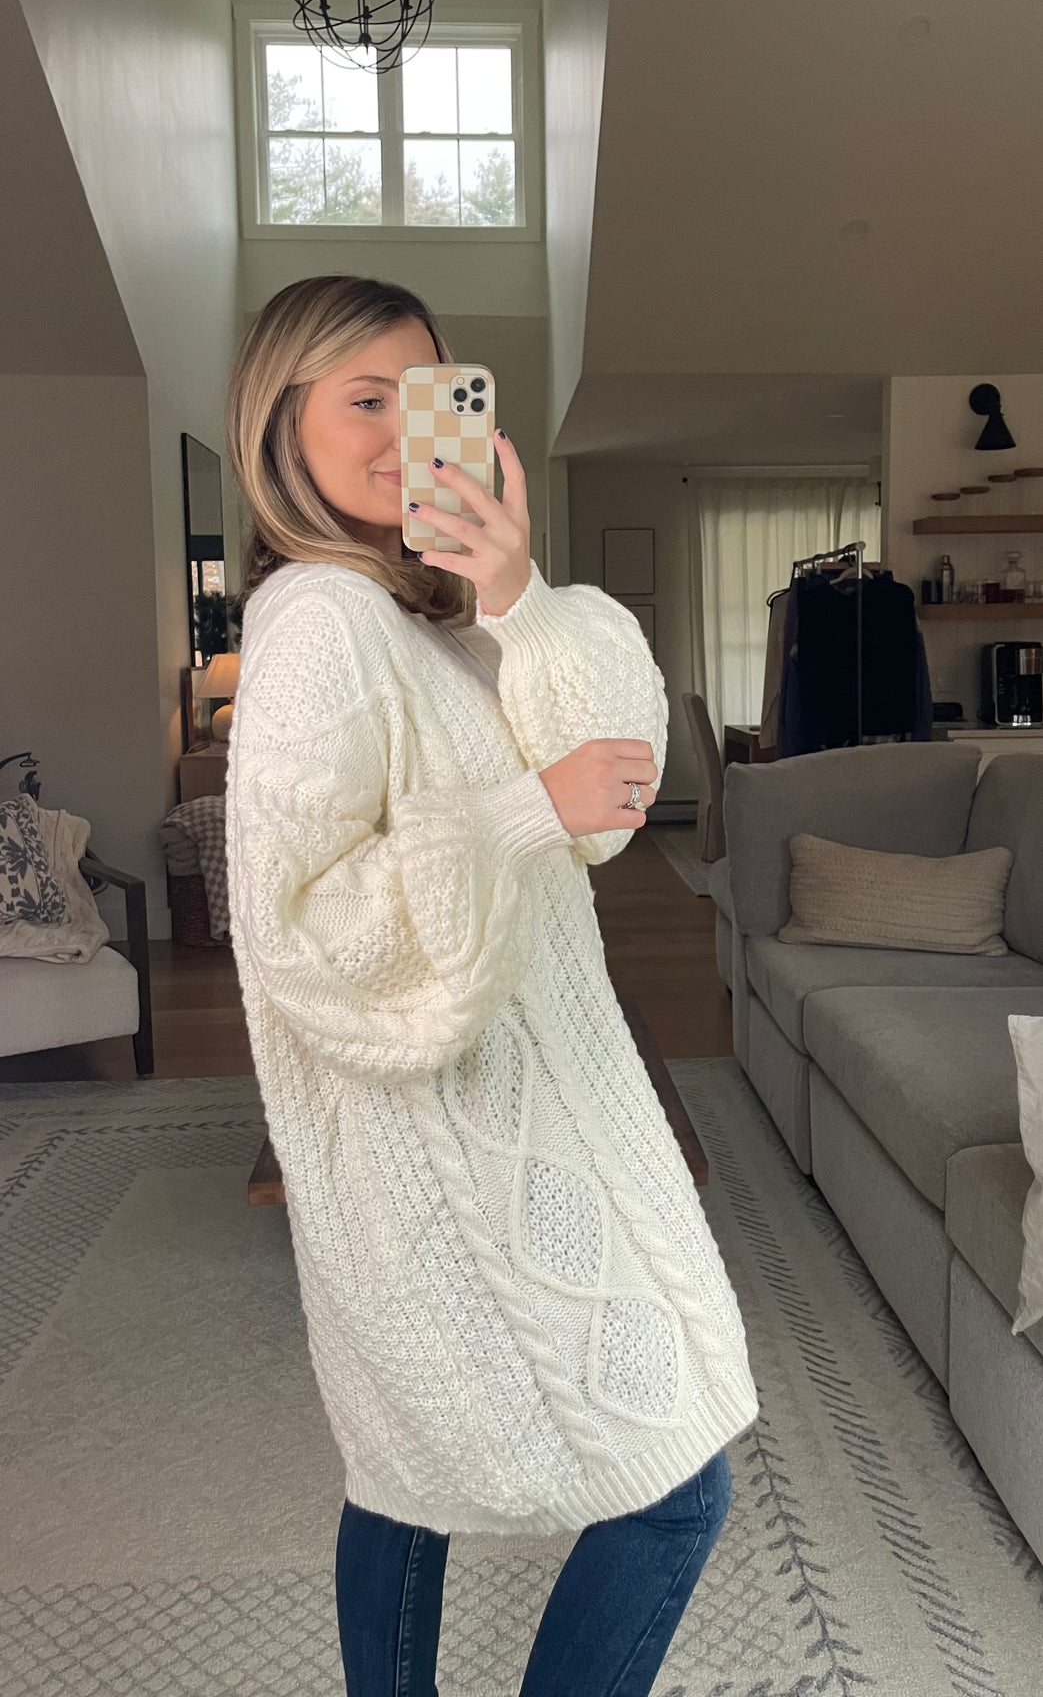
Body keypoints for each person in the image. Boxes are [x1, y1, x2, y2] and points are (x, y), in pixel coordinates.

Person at [223, 273, 759, 1697]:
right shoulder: (320, 625)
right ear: (281, 424)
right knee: (673, 1487)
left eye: (425, 396)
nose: (403, 431)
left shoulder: (431, 615)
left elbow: (616, 795)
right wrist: (523, 811)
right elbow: (297, 926)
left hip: (508, 1101)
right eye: (363, 399)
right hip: (440, 1136)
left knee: (405, 1476)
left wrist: (518, 590)